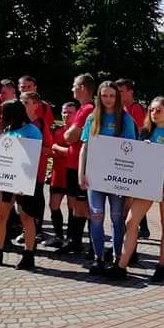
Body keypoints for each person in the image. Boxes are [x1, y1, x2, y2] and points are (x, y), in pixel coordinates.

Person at [108, 97, 164, 283]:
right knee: (131, 221)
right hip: (146, 179)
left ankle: (161, 266)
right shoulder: (144, 132)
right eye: (151, 110)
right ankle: (121, 266)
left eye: (158, 110)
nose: (154, 113)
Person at [78, 80, 137, 275]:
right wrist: (81, 173)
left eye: (112, 95)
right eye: (105, 95)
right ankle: (98, 258)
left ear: (117, 97)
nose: (109, 99)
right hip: (95, 176)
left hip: (116, 177)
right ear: (99, 97)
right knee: (96, 215)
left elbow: (131, 149)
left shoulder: (125, 119)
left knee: (117, 217)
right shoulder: (92, 117)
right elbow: (85, 147)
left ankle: (118, 258)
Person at [0, 99, 42, 270]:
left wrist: (24, 181)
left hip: (25, 181)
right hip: (7, 182)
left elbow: (34, 156)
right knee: (0, 216)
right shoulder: (8, 130)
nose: (1, 117)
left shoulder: (32, 131)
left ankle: (28, 255)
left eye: (4, 114)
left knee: (26, 217)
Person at [57, 73, 96, 255]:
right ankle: (75, 242)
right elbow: (70, 136)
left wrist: (70, 135)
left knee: (85, 207)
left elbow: (70, 136)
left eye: (74, 85)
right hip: (73, 165)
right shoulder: (81, 109)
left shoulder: (88, 109)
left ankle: (93, 246)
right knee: (76, 207)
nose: (72, 88)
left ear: (82, 88)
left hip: (83, 166)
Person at [19, 75, 54, 238]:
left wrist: (33, 149)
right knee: (21, 203)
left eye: (26, 102)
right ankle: (25, 231)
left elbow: (49, 148)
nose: (23, 105)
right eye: (22, 102)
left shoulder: (40, 123)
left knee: (36, 200)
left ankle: (36, 231)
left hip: (37, 169)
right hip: (18, 169)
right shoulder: (15, 122)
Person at [116, 78, 150, 240]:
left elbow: (141, 131)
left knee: (132, 195)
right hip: (127, 154)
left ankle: (137, 227)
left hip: (133, 155)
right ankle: (142, 227)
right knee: (131, 194)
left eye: (121, 91)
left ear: (130, 92)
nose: (118, 94)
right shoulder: (123, 108)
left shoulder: (135, 108)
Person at [45, 102, 78, 248]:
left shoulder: (77, 132)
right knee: (53, 205)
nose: (66, 115)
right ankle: (58, 236)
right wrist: (60, 151)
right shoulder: (56, 131)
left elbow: (74, 154)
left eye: (70, 112)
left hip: (72, 175)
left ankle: (70, 238)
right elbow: (49, 151)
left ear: (77, 114)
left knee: (73, 208)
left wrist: (57, 148)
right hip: (57, 175)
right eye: (64, 112)